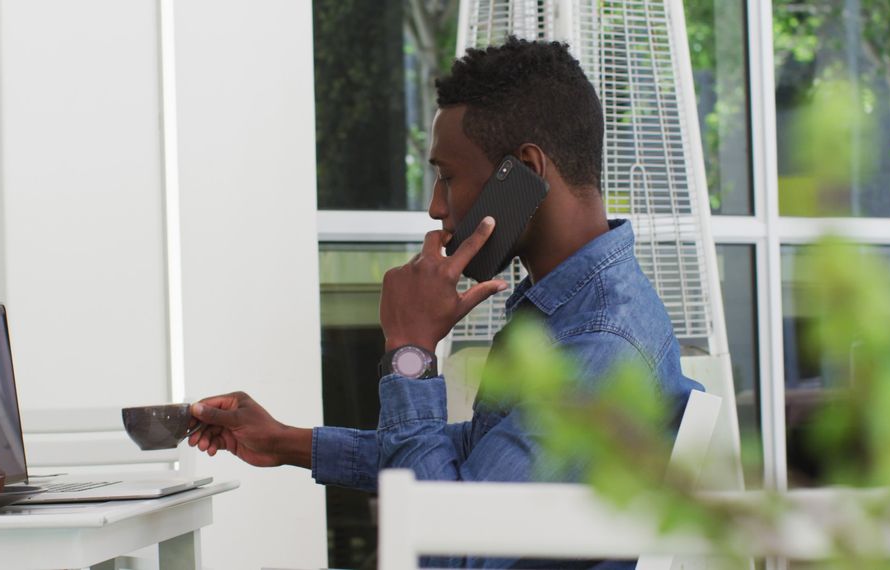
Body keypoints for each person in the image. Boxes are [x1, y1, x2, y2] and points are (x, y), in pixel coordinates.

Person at [188, 38, 703, 568]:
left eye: (447, 176)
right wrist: (285, 443)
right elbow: (474, 464)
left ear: (524, 170)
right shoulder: (575, 313)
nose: (436, 207)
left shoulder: (596, 342)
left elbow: (448, 553)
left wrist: (410, 352)